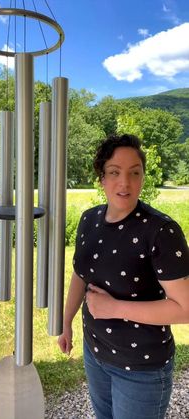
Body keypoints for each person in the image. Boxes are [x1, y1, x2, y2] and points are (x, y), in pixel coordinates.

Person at [58, 133, 189, 419]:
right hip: (95, 353)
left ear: (143, 177)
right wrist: (65, 320)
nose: (125, 183)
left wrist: (114, 308)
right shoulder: (89, 220)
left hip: (141, 370)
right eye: (114, 172)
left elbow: (185, 309)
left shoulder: (161, 231)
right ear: (102, 178)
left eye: (135, 173)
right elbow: (80, 275)